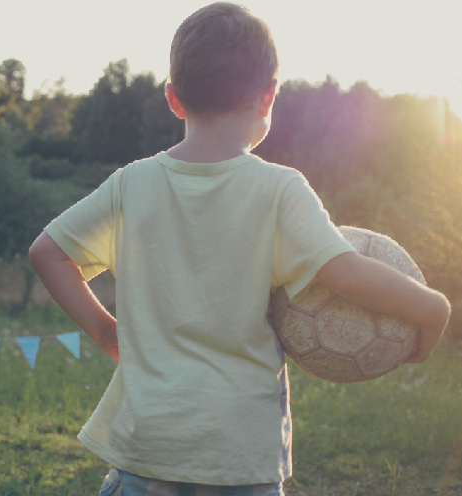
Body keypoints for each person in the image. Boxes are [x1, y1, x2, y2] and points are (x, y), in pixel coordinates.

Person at [28, 3, 451, 495]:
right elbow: (345, 273)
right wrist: (433, 307)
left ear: (173, 98)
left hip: (146, 450)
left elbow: (48, 252)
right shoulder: (279, 189)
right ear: (268, 95)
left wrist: (106, 331)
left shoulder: (132, 183)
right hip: (239, 458)